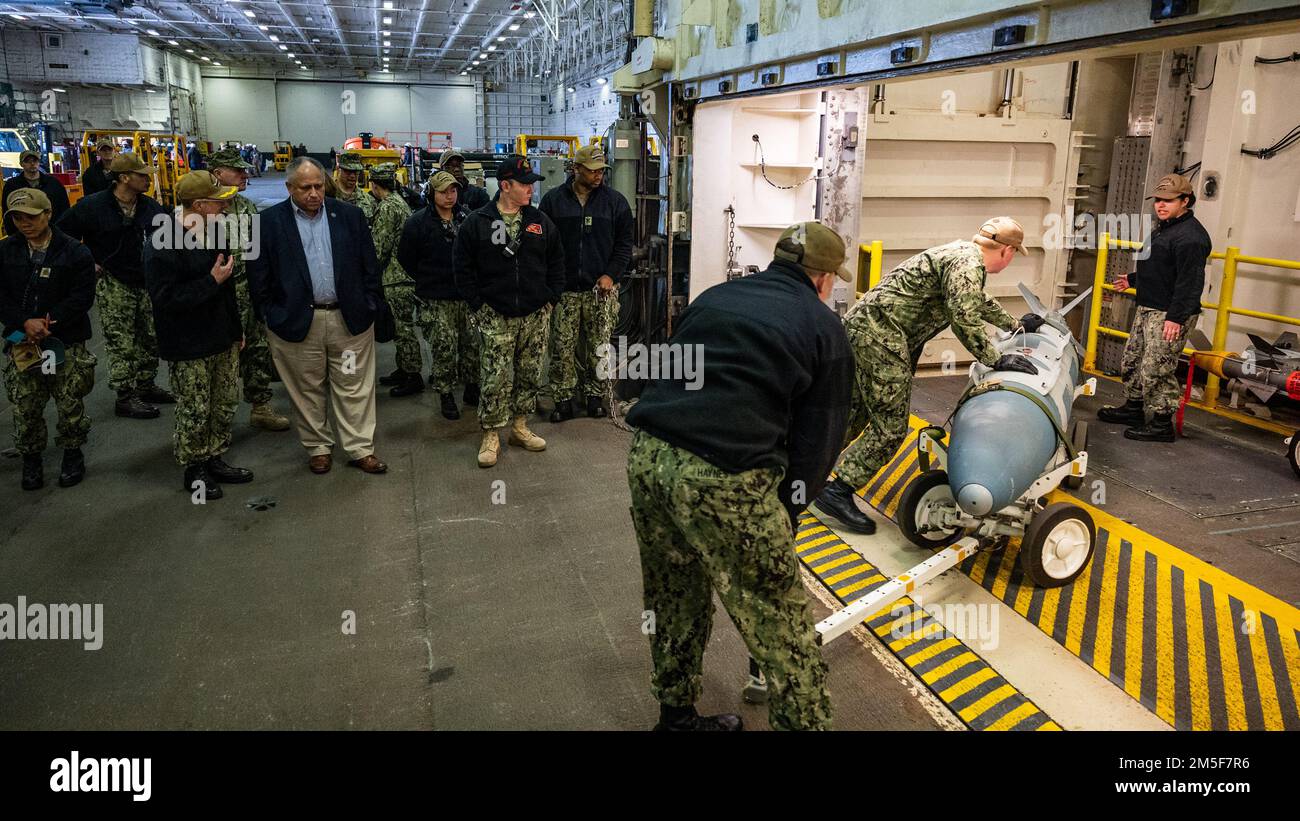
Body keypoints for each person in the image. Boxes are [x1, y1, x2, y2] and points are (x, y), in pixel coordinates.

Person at [624, 222, 855, 731]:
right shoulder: (823, 327)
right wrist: (788, 508)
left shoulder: (716, 297)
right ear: (822, 279)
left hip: (649, 456)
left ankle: (676, 717)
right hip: (725, 479)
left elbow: (665, 370)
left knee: (672, 593)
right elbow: (820, 442)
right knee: (782, 624)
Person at [813, 216, 1040, 534]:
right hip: (881, 337)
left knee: (853, 414)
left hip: (864, 332)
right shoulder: (967, 264)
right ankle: (837, 493)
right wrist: (996, 359)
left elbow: (974, 301)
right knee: (890, 430)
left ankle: (804, 475)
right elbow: (964, 317)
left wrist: (1014, 324)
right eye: (1015, 253)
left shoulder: (961, 255)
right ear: (1007, 250)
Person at [246, 156, 387, 475]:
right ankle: (318, 447)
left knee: (353, 385)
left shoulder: (350, 216)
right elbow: (258, 275)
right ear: (289, 188)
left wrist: (370, 303)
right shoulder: (266, 224)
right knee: (307, 388)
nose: (314, 193)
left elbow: (370, 265)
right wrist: (271, 314)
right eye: (305, 187)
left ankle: (360, 448)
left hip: (348, 321)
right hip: (296, 323)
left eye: (319, 186)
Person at [145, 171, 253, 498]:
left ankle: (215, 457)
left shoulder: (214, 232)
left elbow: (228, 286)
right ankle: (195, 469)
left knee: (223, 403)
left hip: (220, 336)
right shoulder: (163, 242)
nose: (225, 206)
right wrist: (211, 282)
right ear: (200, 204)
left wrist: (236, 330)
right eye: (219, 202)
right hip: (188, 342)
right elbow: (165, 298)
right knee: (195, 408)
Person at [452, 155, 564, 468]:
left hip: (533, 313)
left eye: (531, 185)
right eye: (524, 185)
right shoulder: (479, 222)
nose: (530, 190)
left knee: (529, 372)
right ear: (505, 186)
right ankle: (491, 434)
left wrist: (550, 299)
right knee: (494, 376)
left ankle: (519, 426)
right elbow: (462, 267)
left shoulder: (539, 222)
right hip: (495, 314)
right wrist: (477, 303)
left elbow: (557, 262)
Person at [56, 152, 172, 419]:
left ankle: (145, 385)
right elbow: (62, 235)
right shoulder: (92, 206)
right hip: (114, 282)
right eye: (142, 175)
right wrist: (88, 261)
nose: (148, 179)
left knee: (150, 337)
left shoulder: (150, 207)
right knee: (121, 341)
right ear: (124, 178)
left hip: (146, 282)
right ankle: (124, 395)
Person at [1097, 174, 1211, 443]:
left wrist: (1176, 318)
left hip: (1169, 312)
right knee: (1134, 360)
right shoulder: (1165, 227)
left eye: (1168, 200)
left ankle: (1162, 423)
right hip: (1148, 306)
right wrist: (1134, 280)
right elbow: (1161, 267)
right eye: (1158, 200)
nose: (1161, 205)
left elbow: (1189, 282)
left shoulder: (1191, 237)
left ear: (1185, 201)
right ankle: (1134, 408)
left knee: (1157, 366)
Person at [0, 188, 97, 490]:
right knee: (25, 405)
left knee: (69, 401)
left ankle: (72, 453)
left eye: (30, 216)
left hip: (63, 339)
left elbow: (82, 297)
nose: (23, 223)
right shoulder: (5, 251)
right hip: (21, 339)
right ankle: (31, 459)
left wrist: (49, 321)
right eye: (16, 217)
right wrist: (22, 323)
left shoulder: (74, 252)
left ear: (48, 214)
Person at [539, 144, 633, 421]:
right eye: (591, 171)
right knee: (562, 347)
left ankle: (595, 396)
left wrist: (612, 274)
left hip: (600, 291)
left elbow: (624, 245)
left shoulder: (615, 203)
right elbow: (543, 246)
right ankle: (563, 398)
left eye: (601, 171)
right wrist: (549, 285)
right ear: (576, 169)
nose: (597, 176)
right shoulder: (553, 202)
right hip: (564, 290)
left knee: (598, 346)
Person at [207, 146, 291, 432]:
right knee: (222, 355)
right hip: (217, 296)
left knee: (256, 349)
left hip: (249, 290)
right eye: (238, 170)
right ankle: (217, 417)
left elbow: (258, 251)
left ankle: (260, 405)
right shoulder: (198, 210)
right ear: (218, 174)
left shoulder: (246, 206)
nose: (246, 173)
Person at [398, 171, 478, 420]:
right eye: (444, 192)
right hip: (436, 298)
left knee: (472, 346)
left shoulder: (467, 218)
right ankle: (445, 393)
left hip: (465, 297)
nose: (449, 196)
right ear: (432, 193)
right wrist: (427, 279)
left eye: (453, 191)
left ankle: (472, 388)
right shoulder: (418, 222)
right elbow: (406, 258)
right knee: (443, 348)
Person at [366, 162, 421, 398]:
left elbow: (380, 246)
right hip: (404, 275)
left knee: (403, 328)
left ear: (376, 186)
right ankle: (404, 368)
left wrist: (368, 271)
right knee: (402, 326)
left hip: (396, 278)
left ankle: (413, 375)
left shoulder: (388, 207)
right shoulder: (401, 202)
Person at [1, 150, 72, 236]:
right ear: (21, 164)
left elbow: (65, 209)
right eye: (27, 161)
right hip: (23, 236)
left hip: (53, 235)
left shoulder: (54, 184)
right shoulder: (12, 186)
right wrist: (14, 237)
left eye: (35, 160)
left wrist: (61, 234)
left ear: (38, 162)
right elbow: (7, 213)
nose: (32, 164)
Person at [333, 152, 375, 223]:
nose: (352, 176)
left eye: (356, 172)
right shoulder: (327, 195)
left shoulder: (369, 200)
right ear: (338, 170)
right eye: (348, 171)